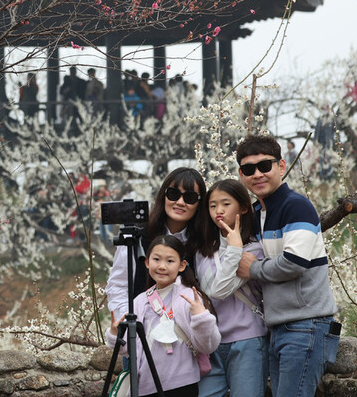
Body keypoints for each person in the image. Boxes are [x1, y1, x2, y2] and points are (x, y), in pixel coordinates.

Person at [235, 134, 339, 397]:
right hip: (280, 327)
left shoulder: (296, 206)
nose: (257, 174)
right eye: (249, 169)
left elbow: (294, 263)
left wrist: (254, 269)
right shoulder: (259, 213)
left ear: (281, 166)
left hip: (305, 326)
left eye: (265, 166)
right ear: (241, 174)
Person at [106, 235, 221, 397]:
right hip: (146, 384)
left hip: (182, 384)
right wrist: (116, 334)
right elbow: (130, 350)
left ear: (182, 265)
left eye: (170, 261)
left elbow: (207, 346)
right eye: (156, 259)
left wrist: (201, 318)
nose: (162, 266)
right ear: (147, 262)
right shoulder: (140, 301)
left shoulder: (188, 297)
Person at [195, 179, 268, 397]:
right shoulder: (203, 251)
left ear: (243, 207)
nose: (218, 211)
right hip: (211, 343)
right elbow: (211, 291)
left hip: (248, 340)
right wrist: (233, 251)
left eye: (226, 204)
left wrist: (235, 249)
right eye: (212, 205)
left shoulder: (255, 249)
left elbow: (222, 290)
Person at [105, 167, 208, 318]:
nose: (180, 202)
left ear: (199, 203)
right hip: (143, 328)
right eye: (173, 194)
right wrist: (131, 321)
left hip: (186, 329)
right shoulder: (137, 237)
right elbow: (118, 285)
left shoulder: (203, 241)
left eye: (190, 197)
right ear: (163, 196)